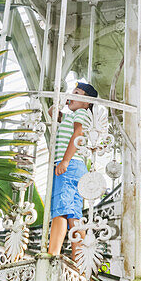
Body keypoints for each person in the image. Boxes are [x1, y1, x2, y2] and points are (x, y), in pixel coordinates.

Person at [48, 81, 98, 263]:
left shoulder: (82, 114)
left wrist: (65, 160)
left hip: (70, 166)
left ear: (87, 102)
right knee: (73, 214)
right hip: (74, 167)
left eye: (77, 93)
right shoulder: (71, 116)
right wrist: (62, 100)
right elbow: (53, 114)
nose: (72, 95)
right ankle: (80, 258)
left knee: (60, 211)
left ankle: (52, 253)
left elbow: (78, 134)